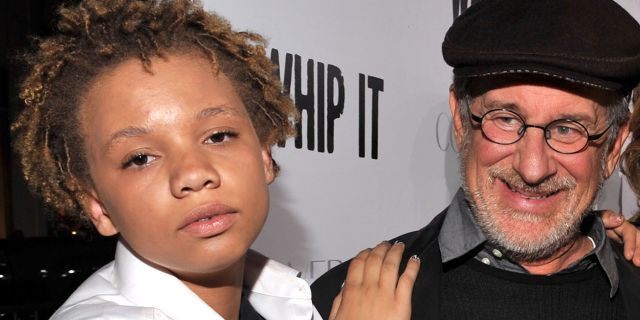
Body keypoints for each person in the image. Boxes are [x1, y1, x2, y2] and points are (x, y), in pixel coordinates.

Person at [11, 0, 421, 319]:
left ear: (264, 155)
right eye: (140, 158)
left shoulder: (282, 299)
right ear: (98, 206)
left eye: (218, 135)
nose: (193, 174)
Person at [312, 0, 640, 319]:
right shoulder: (341, 302)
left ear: (613, 147)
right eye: (506, 119)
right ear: (460, 121)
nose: (533, 168)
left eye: (569, 129)